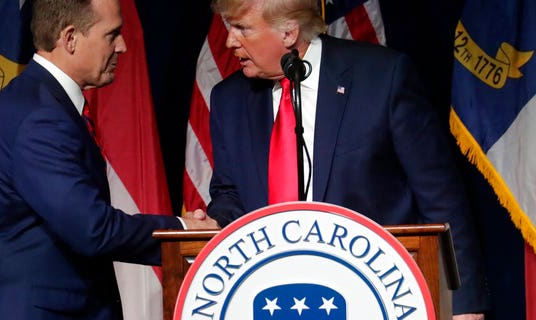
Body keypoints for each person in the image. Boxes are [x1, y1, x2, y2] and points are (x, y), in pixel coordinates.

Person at [205, 0, 489, 319]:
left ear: (288, 32)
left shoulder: (382, 77)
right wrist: (216, 219)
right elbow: (229, 193)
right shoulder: (228, 99)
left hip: (382, 296)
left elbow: (441, 197)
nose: (229, 41)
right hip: (274, 297)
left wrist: (464, 305)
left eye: (242, 28)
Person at [0, 0, 218, 319]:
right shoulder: (40, 117)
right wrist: (183, 231)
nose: (122, 46)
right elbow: (92, 228)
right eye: (112, 35)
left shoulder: (38, 100)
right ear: (70, 38)